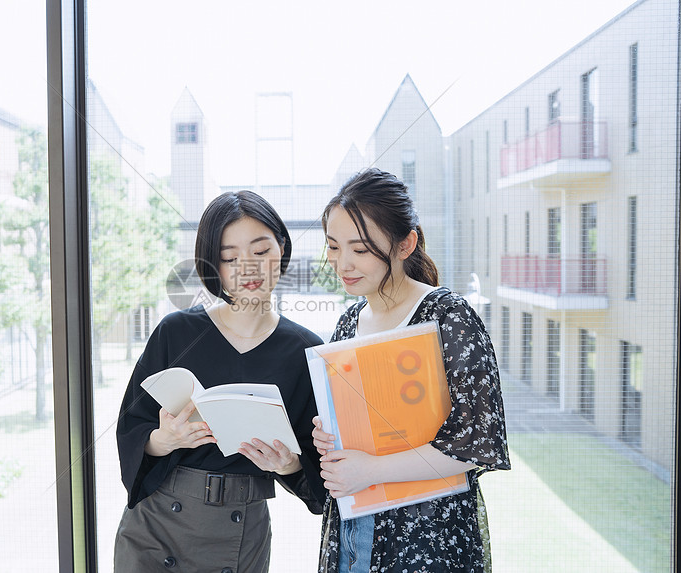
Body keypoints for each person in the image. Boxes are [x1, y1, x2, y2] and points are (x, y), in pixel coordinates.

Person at [115, 190, 326, 573]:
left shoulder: (307, 351)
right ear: (212, 267)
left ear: (282, 248)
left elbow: (319, 479)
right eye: (230, 258)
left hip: (241, 532)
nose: (248, 269)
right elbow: (132, 428)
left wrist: (289, 465)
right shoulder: (176, 331)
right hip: (157, 525)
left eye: (261, 252)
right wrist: (166, 440)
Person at [312, 168, 510, 572]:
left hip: (427, 534)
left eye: (361, 249)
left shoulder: (447, 317)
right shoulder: (349, 321)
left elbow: (475, 442)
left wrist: (371, 470)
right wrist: (330, 433)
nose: (343, 263)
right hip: (355, 525)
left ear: (405, 244)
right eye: (333, 247)